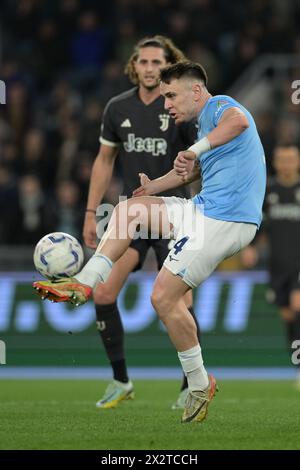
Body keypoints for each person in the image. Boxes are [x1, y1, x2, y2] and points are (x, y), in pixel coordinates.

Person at [33, 61, 266, 423]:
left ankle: (199, 383)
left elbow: (241, 122)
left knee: (161, 296)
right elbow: (198, 167)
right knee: (130, 210)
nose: (167, 104)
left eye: (171, 96)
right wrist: (152, 188)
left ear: (196, 91)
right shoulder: (205, 125)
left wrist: (197, 150)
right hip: (203, 209)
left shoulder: (220, 106)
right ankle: (84, 283)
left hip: (226, 220)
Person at [81, 36, 200, 409]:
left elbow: (198, 161)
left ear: (168, 66)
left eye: (156, 63)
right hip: (130, 215)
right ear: (134, 65)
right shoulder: (117, 108)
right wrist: (90, 212)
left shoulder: (178, 105)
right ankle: (120, 382)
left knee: (179, 302)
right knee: (102, 293)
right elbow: (104, 161)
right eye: (144, 62)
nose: (149, 68)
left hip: (173, 215)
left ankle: (188, 386)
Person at [241, 145, 300, 388]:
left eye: (291, 159)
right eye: (282, 159)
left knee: (298, 306)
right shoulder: (269, 191)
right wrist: (251, 246)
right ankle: (296, 363)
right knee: (287, 315)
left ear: (297, 162)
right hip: (278, 266)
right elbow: (259, 225)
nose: (286, 164)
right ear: (275, 163)